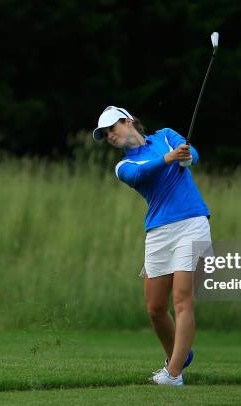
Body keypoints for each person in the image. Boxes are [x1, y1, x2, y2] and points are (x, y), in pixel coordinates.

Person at [93, 106, 211, 386]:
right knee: (156, 308)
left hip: (192, 223)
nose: (110, 135)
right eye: (106, 133)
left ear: (129, 121)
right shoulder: (124, 166)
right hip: (158, 232)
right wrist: (170, 158)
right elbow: (141, 174)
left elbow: (192, 155)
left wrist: (184, 157)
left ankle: (173, 374)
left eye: (113, 127)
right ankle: (180, 357)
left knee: (182, 301)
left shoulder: (166, 136)